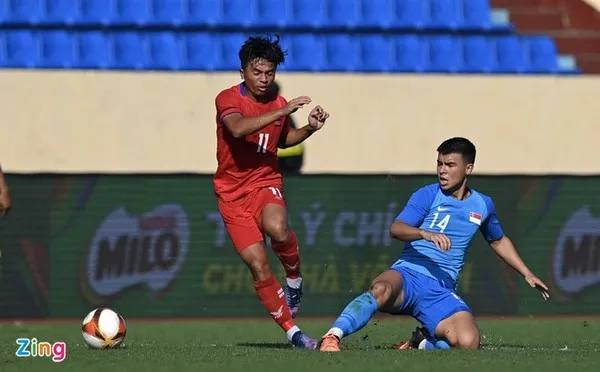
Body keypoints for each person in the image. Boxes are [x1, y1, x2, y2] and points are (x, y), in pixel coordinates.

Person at [319, 137, 549, 352]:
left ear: (468, 169)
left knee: (468, 343)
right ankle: (332, 336)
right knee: (381, 289)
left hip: (441, 288)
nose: (442, 170)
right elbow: (396, 228)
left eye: (450, 164)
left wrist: (527, 273)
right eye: (439, 163)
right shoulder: (428, 194)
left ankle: (420, 343)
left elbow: (498, 240)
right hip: (407, 275)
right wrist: (424, 234)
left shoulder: (482, 205)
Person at [213, 34, 329, 349]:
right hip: (232, 194)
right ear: (242, 72)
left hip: (265, 181)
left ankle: (294, 278)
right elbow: (237, 129)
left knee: (278, 229)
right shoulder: (228, 99)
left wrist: (309, 129)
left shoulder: (277, 105)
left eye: (269, 73)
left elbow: (281, 141)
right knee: (258, 264)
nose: (264, 79)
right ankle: (294, 333)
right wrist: (282, 111)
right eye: (257, 72)